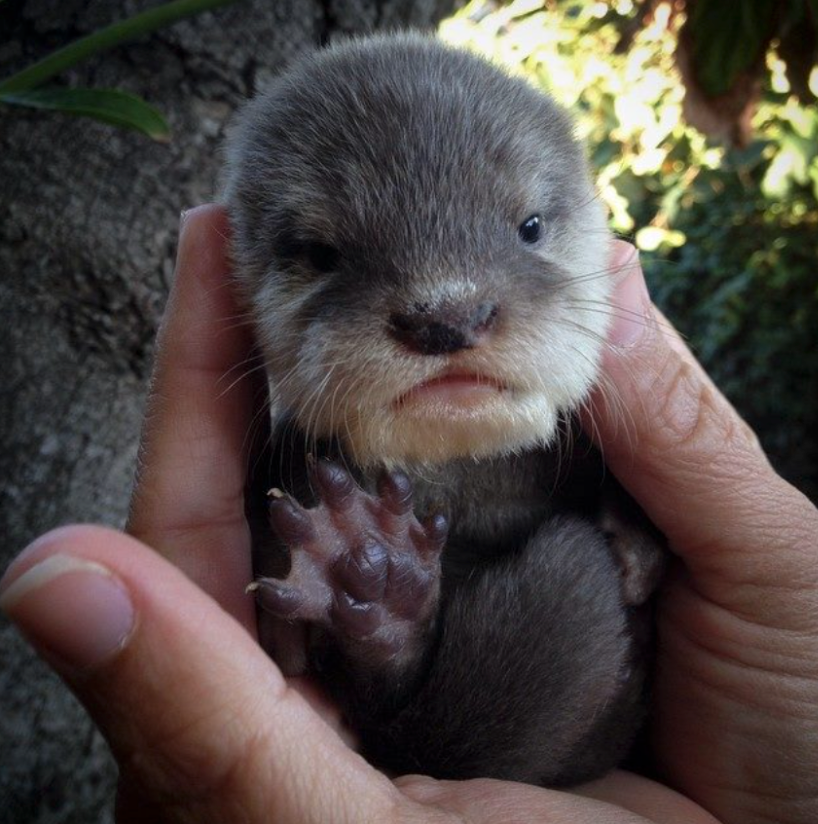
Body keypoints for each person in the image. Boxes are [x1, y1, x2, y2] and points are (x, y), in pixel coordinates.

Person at [2, 204, 816, 824]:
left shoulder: (591, 415)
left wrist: (637, 511)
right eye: (324, 253)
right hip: (448, 691)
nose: (447, 309)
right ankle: (389, 639)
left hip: (582, 709)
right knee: (321, 546)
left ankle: (389, 633)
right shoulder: (294, 449)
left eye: (528, 227)